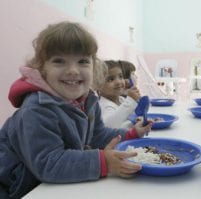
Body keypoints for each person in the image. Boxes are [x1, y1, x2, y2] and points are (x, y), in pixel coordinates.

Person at [0, 21, 152, 199]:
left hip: (53, 185)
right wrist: (104, 162)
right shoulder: (36, 110)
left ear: (93, 67)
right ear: (42, 69)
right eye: (59, 61)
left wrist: (130, 134)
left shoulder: (87, 100)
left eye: (82, 61)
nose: (73, 70)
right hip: (20, 188)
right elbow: (49, 163)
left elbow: (97, 135)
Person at [96, 60, 140, 129]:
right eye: (110, 79)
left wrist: (137, 120)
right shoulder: (103, 106)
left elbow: (130, 116)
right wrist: (131, 101)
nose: (118, 82)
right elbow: (110, 126)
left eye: (120, 76)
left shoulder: (121, 99)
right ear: (98, 86)